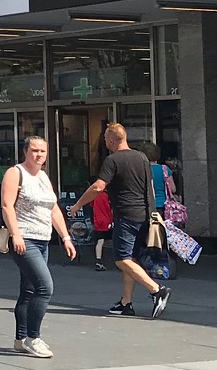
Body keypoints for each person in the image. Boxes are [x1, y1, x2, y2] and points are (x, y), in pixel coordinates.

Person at [71, 122, 169, 319]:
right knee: (131, 259)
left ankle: (156, 290)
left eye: (106, 139)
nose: (105, 143)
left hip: (126, 215)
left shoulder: (112, 160)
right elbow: (148, 186)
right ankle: (126, 302)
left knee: (122, 259)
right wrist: (152, 213)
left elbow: (99, 187)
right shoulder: (142, 157)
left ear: (112, 140)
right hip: (145, 215)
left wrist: (78, 204)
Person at [1, 135, 77, 356]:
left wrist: (66, 237)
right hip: (24, 238)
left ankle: (20, 338)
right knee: (45, 287)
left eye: (42, 151)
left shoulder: (43, 176)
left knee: (29, 290)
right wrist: (15, 234)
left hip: (43, 239)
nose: (39, 155)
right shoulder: (15, 173)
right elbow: (6, 205)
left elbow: (53, 209)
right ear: (25, 151)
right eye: (34, 150)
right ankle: (34, 337)